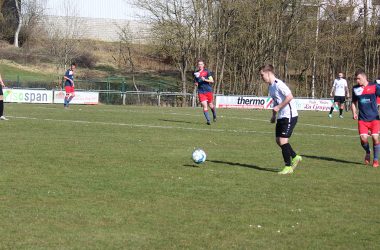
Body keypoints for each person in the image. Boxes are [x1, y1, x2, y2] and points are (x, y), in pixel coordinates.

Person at [259, 64, 302, 175]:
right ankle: (295, 156)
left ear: (268, 73)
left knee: (283, 141)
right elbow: (276, 103)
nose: (261, 77)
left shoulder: (279, 84)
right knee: (279, 140)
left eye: (262, 75)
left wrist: (279, 107)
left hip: (290, 115)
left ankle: (288, 167)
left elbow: (290, 96)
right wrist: (273, 115)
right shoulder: (270, 87)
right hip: (281, 116)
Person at [351, 69, 380, 168]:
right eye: (356, 79)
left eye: (359, 79)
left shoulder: (374, 86)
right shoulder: (355, 89)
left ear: (364, 77)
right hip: (362, 119)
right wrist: (354, 112)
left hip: (374, 118)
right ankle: (368, 151)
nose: (357, 81)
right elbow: (353, 102)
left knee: (375, 138)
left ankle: (376, 160)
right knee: (363, 139)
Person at [194, 60, 216, 125]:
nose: (200, 65)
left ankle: (214, 115)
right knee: (204, 105)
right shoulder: (196, 73)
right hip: (201, 91)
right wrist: (196, 84)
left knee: (211, 105)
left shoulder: (207, 72)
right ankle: (208, 120)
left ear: (203, 65)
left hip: (208, 91)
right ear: (198, 65)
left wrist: (205, 79)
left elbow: (212, 81)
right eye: (199, 64)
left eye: (201, 64)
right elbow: (196, 82)